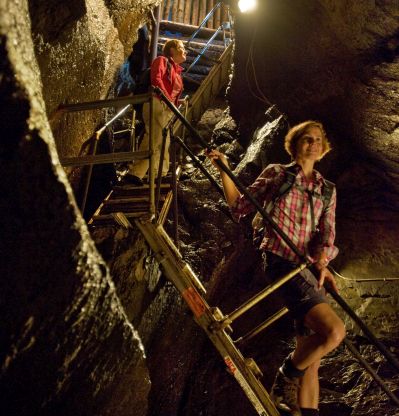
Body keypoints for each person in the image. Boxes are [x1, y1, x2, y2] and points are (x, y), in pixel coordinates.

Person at [207, 121, 346, 416]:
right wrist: (224, 169)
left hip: (306, 270)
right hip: (281, 260)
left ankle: (302, 409)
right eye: (306, 139)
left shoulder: (327, 191)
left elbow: (326, 235)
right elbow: (240, 206)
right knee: (334, 332)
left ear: (324, 148)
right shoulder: (277, 174)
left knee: (312, 351)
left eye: (318, 139)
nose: (313, 143)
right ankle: (286, 375)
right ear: (294, 145)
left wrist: (323, 263)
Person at [124, 39, 186, 186]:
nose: (185, 51)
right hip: (157, 101)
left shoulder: (177, 71)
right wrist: (166, 98)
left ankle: (159, 174)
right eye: (182, 47)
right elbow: (156, 79)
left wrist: (175, 103)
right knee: (155, 137)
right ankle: (135, 173)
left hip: (167, 107)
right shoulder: (161, 60)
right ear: (172, 50)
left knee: (165, 140)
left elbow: (173, 92)